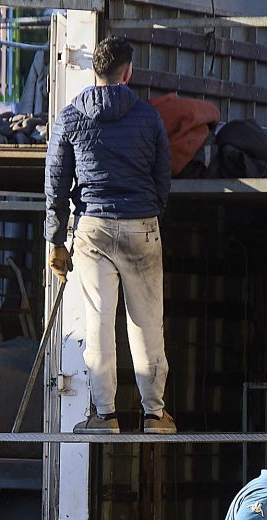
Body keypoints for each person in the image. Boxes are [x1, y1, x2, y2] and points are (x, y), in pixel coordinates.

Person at [45, 34, 176, 435]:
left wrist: (55, 239)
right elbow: (162, 178)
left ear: (94, 71)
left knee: (99, 324)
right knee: (147, 324)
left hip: (92, 229)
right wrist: (149, 211)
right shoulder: (148, 117)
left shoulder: (70, 117)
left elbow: (55, 182)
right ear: (128, 71)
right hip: (141, 226)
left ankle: (105, 416)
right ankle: (155, 415)